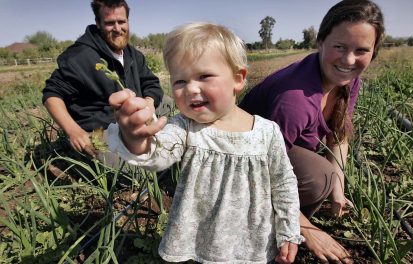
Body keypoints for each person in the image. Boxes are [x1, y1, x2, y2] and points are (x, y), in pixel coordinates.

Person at [105, 22, 304, 263]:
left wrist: (288, 231)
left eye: (204, 76)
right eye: (179, 81)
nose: (191, 89)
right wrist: (136, 138)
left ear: (238, 79)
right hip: (197, 244)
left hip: (252, 246)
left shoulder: (266, 132)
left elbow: (283, 183)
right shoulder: (185, 127)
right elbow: (159, 152)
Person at [239, 0, 384, 263]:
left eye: (361, 50)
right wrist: (307, 230)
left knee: (328, 179)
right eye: (339, 46)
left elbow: (339, 134)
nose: (349, 59)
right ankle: (257, 227)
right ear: (320, 42)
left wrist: (338, 190)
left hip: (273, 155)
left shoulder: (348, 81)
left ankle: (281, 223)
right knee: (319, 176)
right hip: (240, 163)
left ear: (373, 52)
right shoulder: (295, 98)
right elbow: (259, 170)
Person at [42, 0, 167, 158]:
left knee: (171, 104)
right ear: (98, 23)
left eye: (122, 22)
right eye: (109, 23)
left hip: (134, 119)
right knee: (137, 170)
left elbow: (151, 83)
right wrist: (74, 131)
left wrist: (149, 104)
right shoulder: (80, 56)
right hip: (105, 129)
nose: (117, 28)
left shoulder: (133, 54)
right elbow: (51, 94)